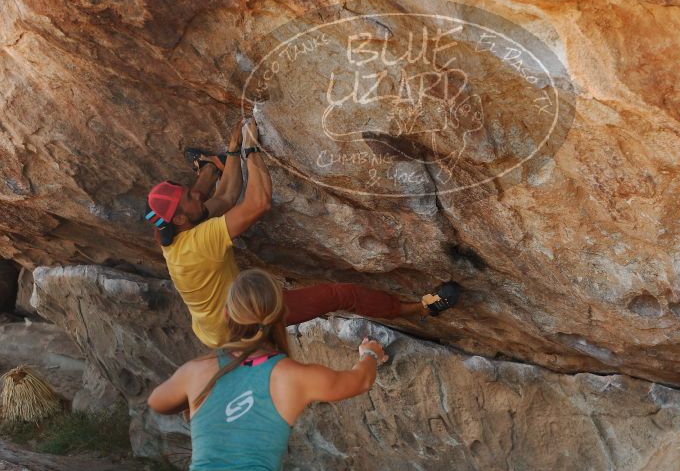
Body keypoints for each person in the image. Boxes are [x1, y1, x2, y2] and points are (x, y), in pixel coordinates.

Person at [145, 119, 460, 348]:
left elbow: (226, 198)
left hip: (216, 323)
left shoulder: (174, 230)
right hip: (243, 323)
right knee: (341, 296)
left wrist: (232, 155)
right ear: (183, 219)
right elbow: (258, 202)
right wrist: (252, 151)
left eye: (193, 191)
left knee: (211, 199)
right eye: (191, 197)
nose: (198, 196)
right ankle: (423, 307)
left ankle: (210, 167)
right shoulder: (199, 243)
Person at [148, 268, 388, 471]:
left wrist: (194, 403)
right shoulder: (292, 376)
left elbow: (157, 402)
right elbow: (360, 381)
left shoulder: (198, 371)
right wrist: (370, 354)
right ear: (282, 313)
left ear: (226, 314)